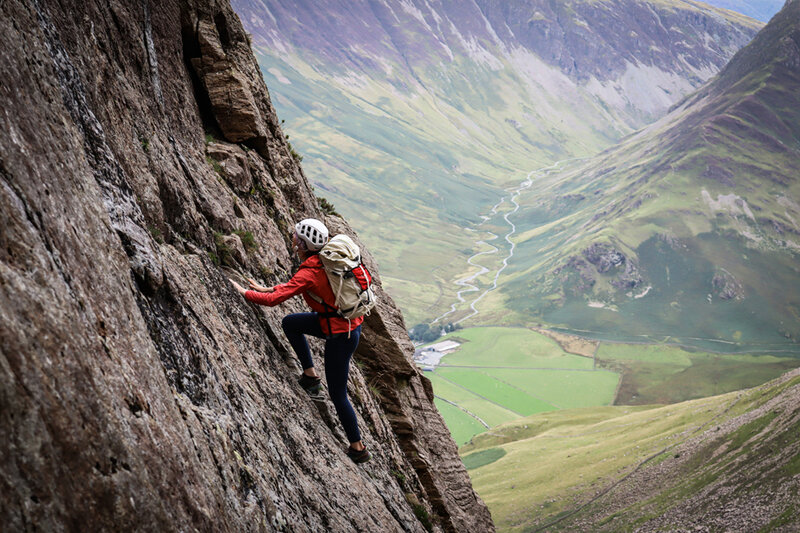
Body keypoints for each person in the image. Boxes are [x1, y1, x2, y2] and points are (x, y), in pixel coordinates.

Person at [229, 218, 371, 464]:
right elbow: (293, 286)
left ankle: (357, 448)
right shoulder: (324, 261)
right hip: (344, 326)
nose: (293, 240)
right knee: (291, 323)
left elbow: (277, 299)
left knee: (338, 394)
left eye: (296, 238)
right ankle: (310, 376)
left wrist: (245, 294)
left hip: (340, 335)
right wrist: (267, 288)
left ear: (304, 244)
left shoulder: (312, 269)